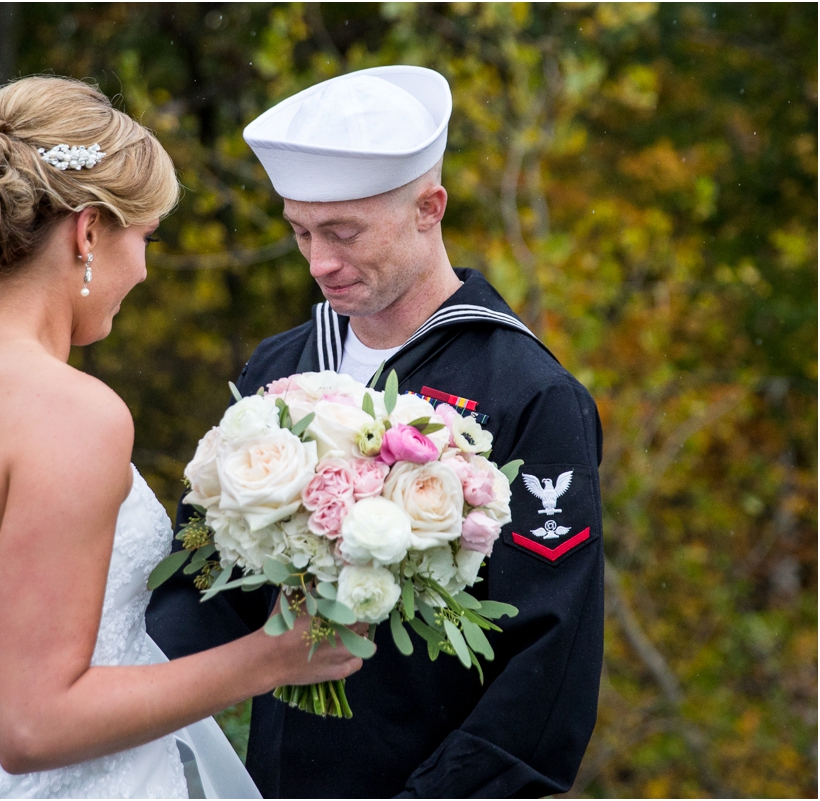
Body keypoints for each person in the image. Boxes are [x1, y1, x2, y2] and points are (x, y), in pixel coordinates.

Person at [0, 75, 363, 799]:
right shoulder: (75, 414)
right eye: (143, 237)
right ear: (87, 231)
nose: (141, 269)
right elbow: (33, 728)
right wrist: (271, 658)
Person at [147, 65, 605, 798]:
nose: (319, 261)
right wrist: (130, 722)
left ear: (431, 206)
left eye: (343, 231)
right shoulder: (279, 364)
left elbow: (549, 668)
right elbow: (201, 577)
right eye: (300, 231)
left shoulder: (532, 394)